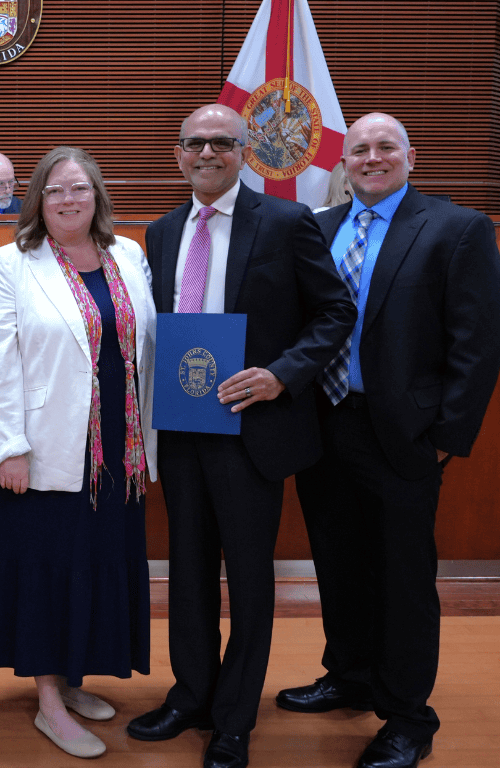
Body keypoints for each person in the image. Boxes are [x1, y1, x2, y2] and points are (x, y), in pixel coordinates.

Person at [125, 104, 356, 768]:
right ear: (178, 154)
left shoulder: (287, 223)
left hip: (255, 430)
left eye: (221, 142)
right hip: (185, 426)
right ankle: (191, 694)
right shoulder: (162, 231)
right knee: (188, 572)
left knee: (250, 580)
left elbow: (335, 310)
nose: (207, 152)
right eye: (194, 143)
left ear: (244, 151)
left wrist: (283, 375)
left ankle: (234, 717)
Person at [277, 113, 500, 768]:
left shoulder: (455, 228)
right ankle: (349, 675)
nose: (372, 158)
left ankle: (408, 714)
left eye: (385, 147)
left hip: (405, 433)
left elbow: (479, 340)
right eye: (359, 150)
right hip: (324, 425)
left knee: (403, 576)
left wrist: (445, 438)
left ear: (411, 154)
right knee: (338, 562)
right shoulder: (316, 229)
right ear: (342, 163)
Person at [0, 146, 158, 759]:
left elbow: (147, 350)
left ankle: (74, 675)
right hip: (47, 445)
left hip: (120, 449)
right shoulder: (11, 262)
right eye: (55, 190)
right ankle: (48, 701)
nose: (67, 200)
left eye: (79, 188)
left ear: (96, 194)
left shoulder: (128, 255)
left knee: (97, 561)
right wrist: (9, 447)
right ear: (38, 198)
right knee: (48, 567)